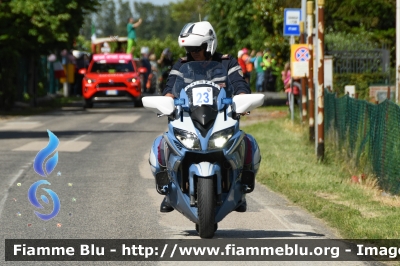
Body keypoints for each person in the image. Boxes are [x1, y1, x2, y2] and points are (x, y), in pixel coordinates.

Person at [156, 21, 258, 214]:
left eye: (196, 48)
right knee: (162, 143)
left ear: (209, 45)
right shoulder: (182, 65)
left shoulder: (227, 63)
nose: (192, 52)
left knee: (248, 142)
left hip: (221, 118)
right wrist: (167, 100)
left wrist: (243, 99)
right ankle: (169, 191)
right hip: (188, 118)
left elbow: (239, 84)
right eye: (189, 48)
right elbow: (170, 87)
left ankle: (241, 189)